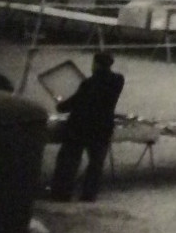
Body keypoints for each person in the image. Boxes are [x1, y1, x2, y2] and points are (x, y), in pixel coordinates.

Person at [50, 52, 125, 202]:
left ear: (95, 64)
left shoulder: (88, 83)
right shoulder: (118, 80)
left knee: (69, 161)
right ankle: (89, 194)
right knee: (96, 163)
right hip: (103, 126)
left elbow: (73, 103)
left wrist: (60, 105)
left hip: (80, 126)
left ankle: (62, 193)